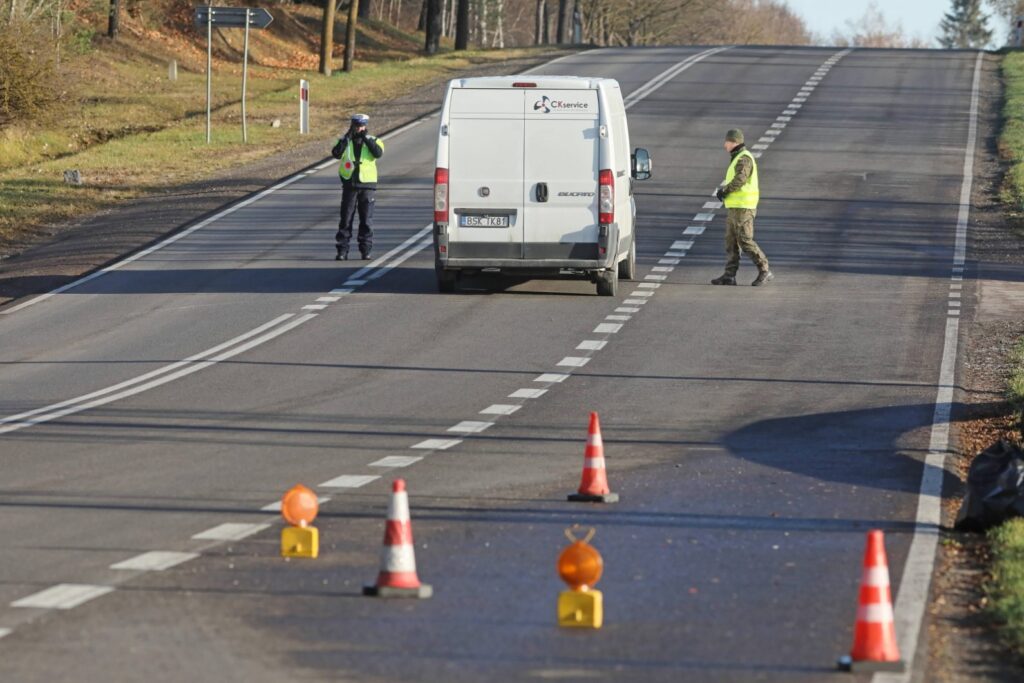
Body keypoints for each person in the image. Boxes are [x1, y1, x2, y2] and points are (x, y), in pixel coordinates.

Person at [712, 129, 773, 286]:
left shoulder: (744, 159)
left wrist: (725, 191)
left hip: (744, 207)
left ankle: (764, 269)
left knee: (745, 241)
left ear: (735, 142)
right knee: (731, 242)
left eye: (727, 141)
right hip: (735, 206)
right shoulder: (737, 157)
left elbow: (740, 179)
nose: (725, 144)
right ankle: (729, 275)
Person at [332, 113, 385, 260]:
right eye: (356, 125)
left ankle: (365, 250)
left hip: (367, 186)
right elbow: (336, 153)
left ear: (366, 125)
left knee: (366, 219)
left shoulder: (374, 140)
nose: (359, 128)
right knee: (346, 219)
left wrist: (365, 138)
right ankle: (342, 251)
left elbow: (377, 153)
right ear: (352, 125)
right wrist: (347, 137)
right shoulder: (345, 140)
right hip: (350, 184)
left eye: (362, 126)